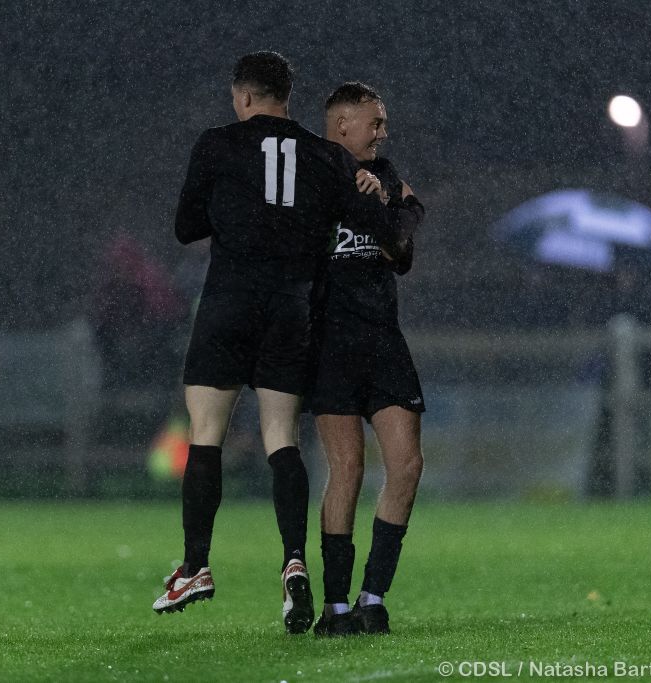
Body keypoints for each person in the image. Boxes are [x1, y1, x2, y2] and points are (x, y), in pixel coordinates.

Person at [152, 52, 411, 634]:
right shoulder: (325, 155)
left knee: (206, 434)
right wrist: (371, 192)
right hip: (291, 310)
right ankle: (294, 562)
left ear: (243, 97)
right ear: (288, 97)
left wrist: (237, 211)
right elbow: (372, 225)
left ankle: (196, 565)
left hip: (228, 302)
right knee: (280, 438)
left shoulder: (217, 144)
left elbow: (186, 227)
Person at [308, 82, 426, 637]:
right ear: (342, 125)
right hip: (329, 345)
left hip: (382, 341)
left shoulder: (387, 178)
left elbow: (401, 249)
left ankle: (372, 598)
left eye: (383, 122)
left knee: (407, 465)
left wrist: (381, 203)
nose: (383, 132)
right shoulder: (310, 179)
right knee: (347, 469)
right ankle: (335, 608)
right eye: (374, 122)